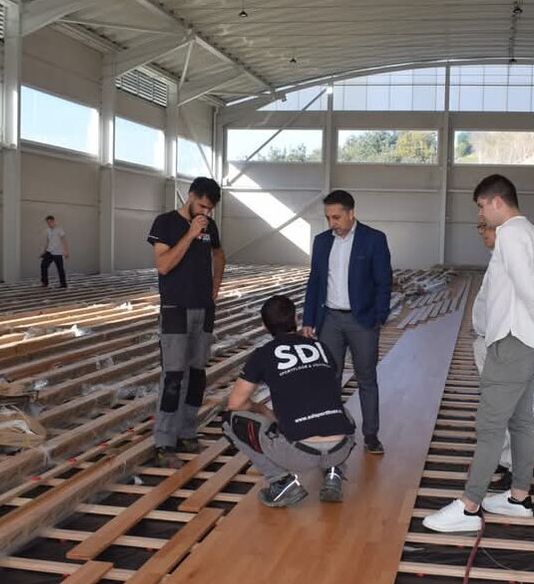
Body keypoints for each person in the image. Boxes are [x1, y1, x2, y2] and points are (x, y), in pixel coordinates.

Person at [424, 174, 534, 533]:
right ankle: (518, 497)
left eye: (481, 206)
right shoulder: (532, 233)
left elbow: (528, 286)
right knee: (520, 422)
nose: (481, 215)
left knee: (489, 427)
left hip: (513, 341)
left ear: (496, 202)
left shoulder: (510, 233)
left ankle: (469, 506)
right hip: (528, 342)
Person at [224, 295, 356, 507]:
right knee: (339, 410)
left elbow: (235, 404)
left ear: (264, 327)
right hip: (340, 448)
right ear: (296, 319)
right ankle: (334, 472)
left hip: (298, 454)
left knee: (229, 420)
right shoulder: (320, 347)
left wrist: (260, 408)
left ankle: (281, 483)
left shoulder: (262, 355)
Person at [301, 190, 392, 455]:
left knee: (366, 378)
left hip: (362, 320)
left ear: (351, 213)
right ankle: (331, 432)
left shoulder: (373, 239)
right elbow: (314, 281)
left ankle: (371, 435)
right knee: (329, 378)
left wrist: (379, 316)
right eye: (328, 218)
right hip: (329, 319)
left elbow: (383, 282)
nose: (332, 223)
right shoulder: (321, 242)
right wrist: (309, 319)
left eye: (337, 217)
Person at [147, 177, 226, 467]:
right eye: (202, 206)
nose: (205, 212)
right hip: (175, 309)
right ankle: (164, 441)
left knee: (197, 374)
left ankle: (187, 431)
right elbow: (164, 265)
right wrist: (191, 234)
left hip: (203, 309)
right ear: (190, 196)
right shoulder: (165, 223)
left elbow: (219, 254)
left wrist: (215, 285)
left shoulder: (210, 226)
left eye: (210, 209)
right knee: (173, 375)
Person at [472, 220, 513, 493]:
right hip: (488, 341)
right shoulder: (497, 259)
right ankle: (502, 458)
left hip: (502, 343)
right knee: (494, 406)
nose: (481, 233)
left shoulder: (512, 261)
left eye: (484, 227)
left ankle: (514, 467)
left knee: (506, 407)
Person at [40, 215, 70, 288]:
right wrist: (44, 251)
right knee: (43, 265)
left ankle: (63, 284)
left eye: (50, 222)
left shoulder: (59, 230)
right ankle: (45, 283)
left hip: (57, 252)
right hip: (49, 251)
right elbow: (48, 241)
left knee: (60, 268)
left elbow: (64, 241)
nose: (49, 224)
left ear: (53, 221)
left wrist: (67, 251)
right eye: (48, 223)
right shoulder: (47, 230)